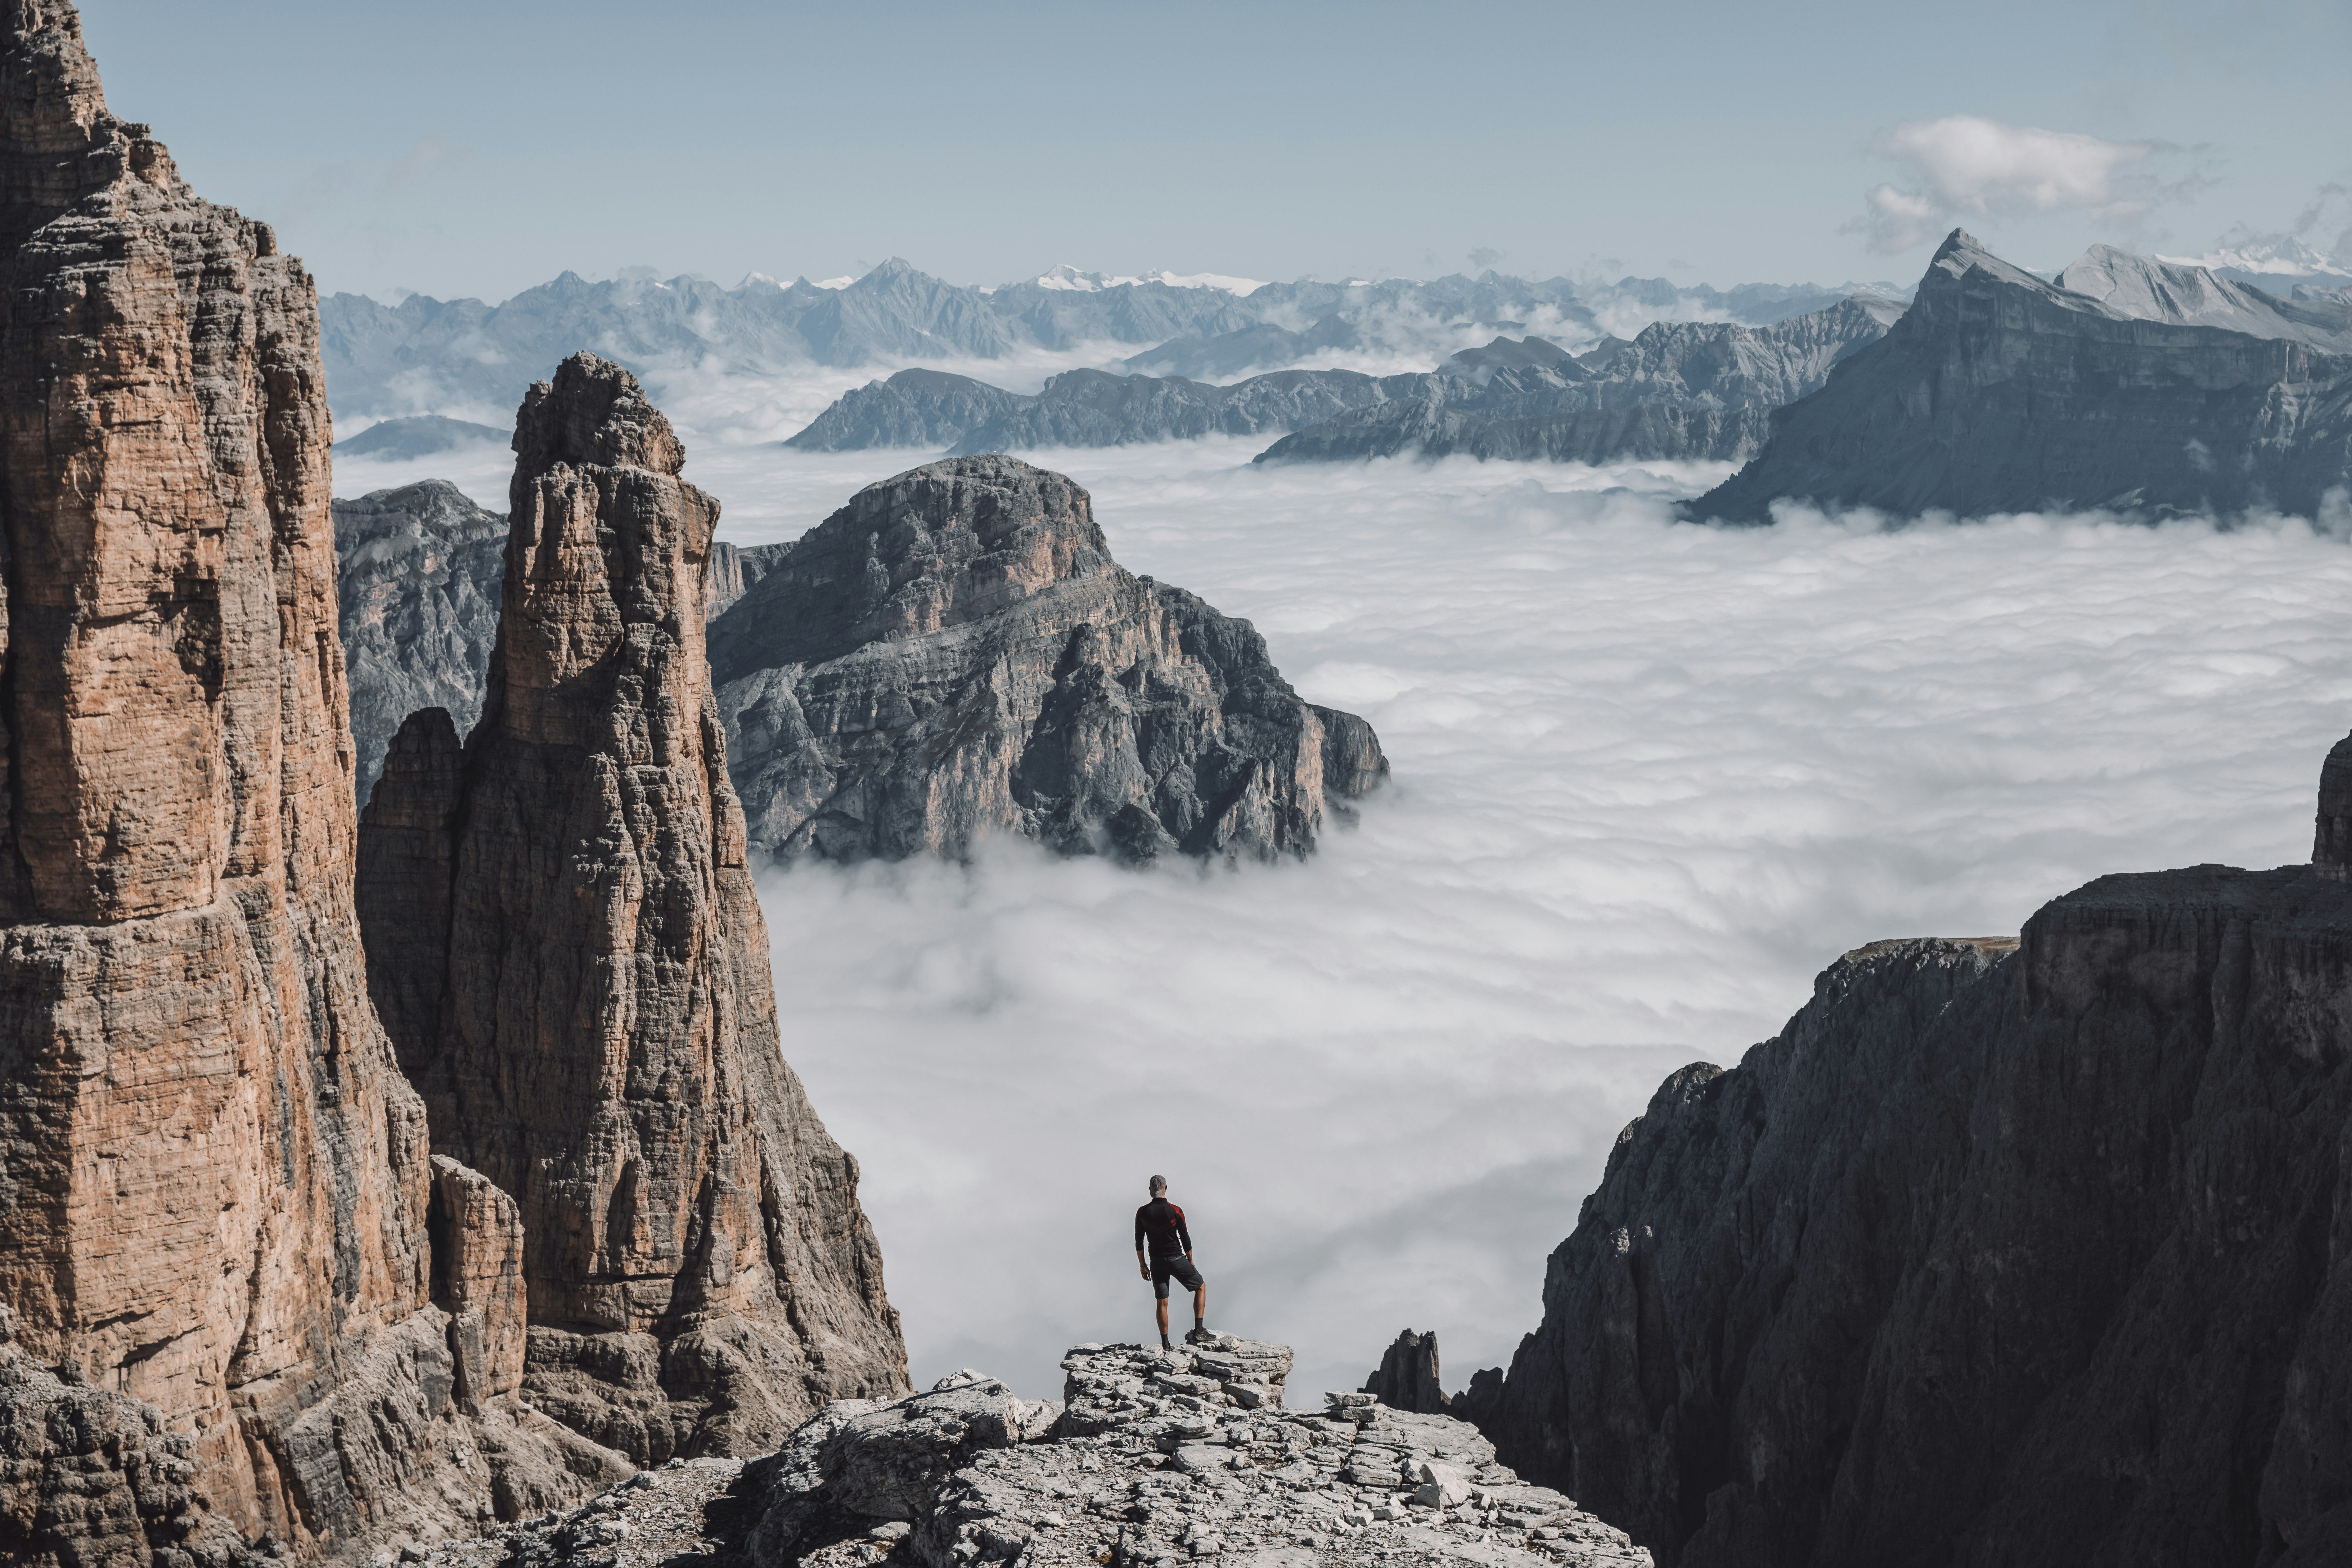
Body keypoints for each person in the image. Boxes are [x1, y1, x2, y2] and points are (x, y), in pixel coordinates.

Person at [1134, 1174, 1209, 1350]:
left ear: (1150, 1190)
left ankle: (1165, 1344)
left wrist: (1143, 1265)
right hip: (1176, 1259)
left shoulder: (1142, 1212)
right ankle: (1199, 1331)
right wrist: (1190, 1260)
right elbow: (1185, 1238)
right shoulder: (1175, 1210)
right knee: (1201, 1287)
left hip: (1156, 1262)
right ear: (1166, 1188)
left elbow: (1139, 1241)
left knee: (1162, 1302)